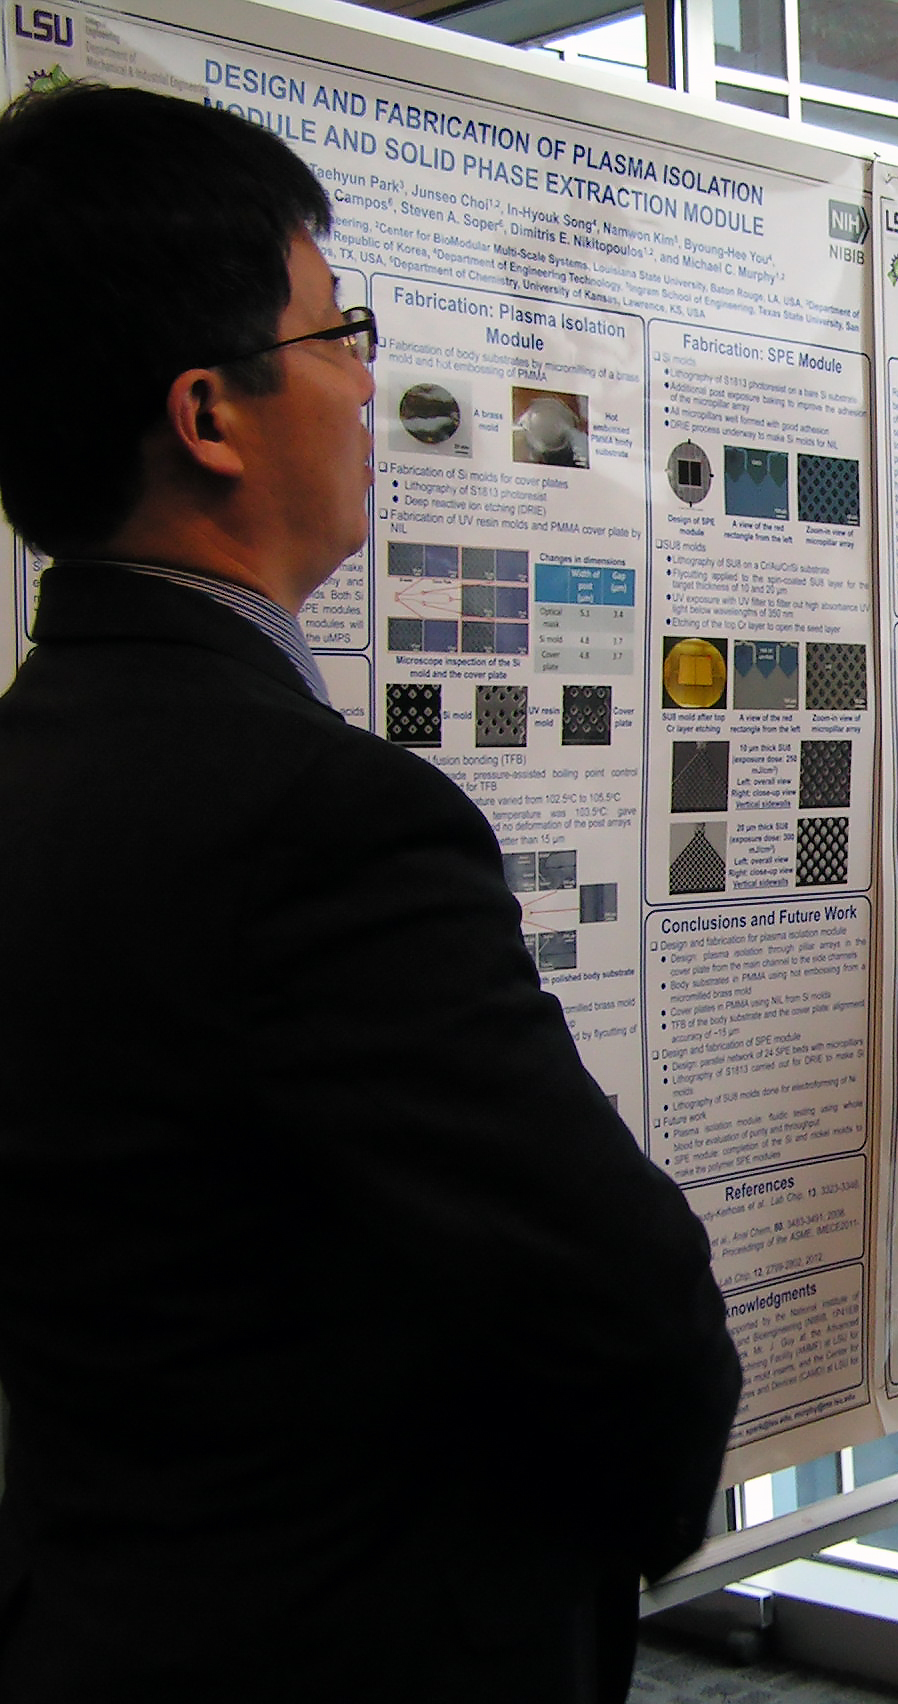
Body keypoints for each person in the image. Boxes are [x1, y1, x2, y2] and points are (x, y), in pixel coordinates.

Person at [0, 86, 740, 1702]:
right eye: (341, 334)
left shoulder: (35, 757)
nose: (366, 383)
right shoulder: (321, 823)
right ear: (210, 414)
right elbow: (623, 1306)